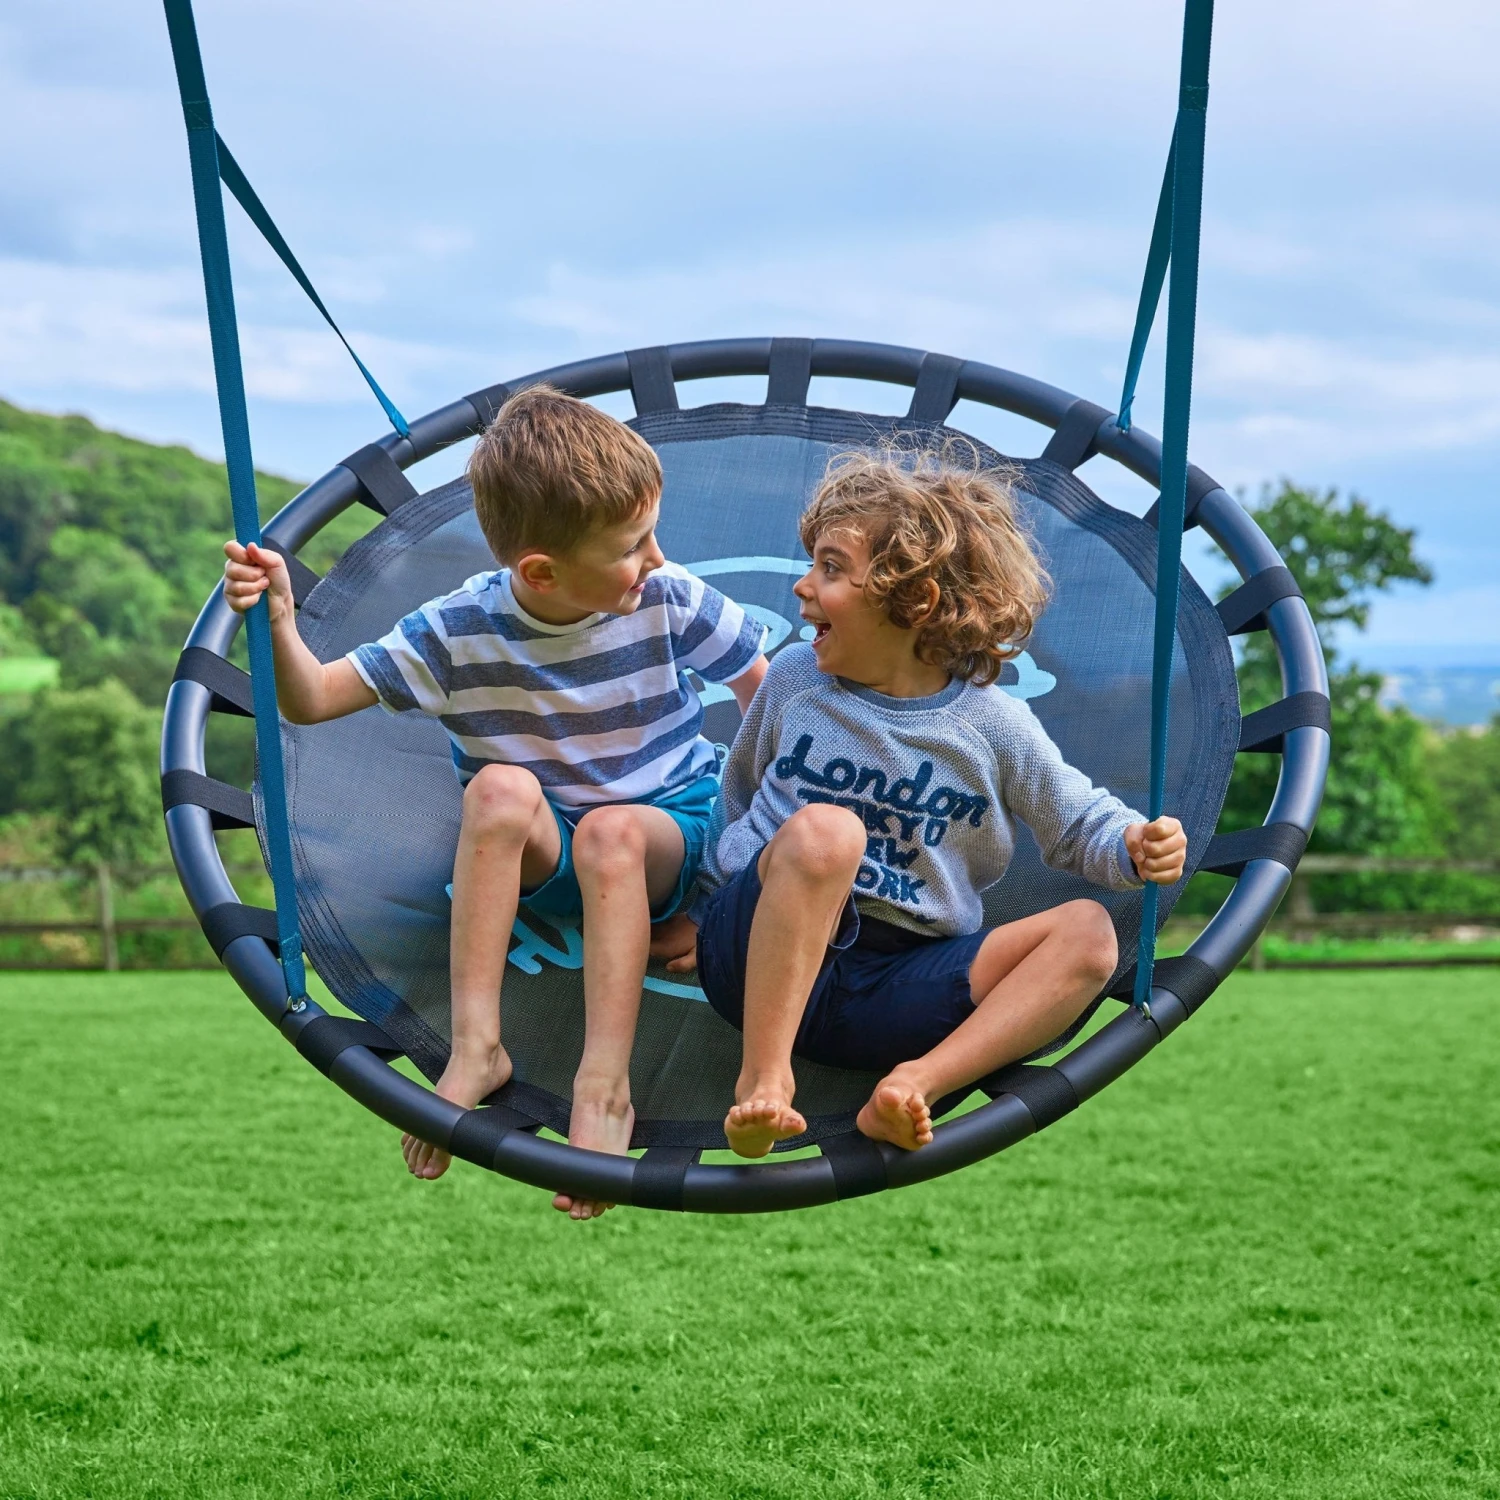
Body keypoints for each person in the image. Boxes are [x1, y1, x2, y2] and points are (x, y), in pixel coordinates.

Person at [222, 385, 767, 1214]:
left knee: (613, 834)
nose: (657, 557)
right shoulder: (458, 630)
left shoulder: (671, 599)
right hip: (554, 853)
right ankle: (477, 1046)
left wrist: (728, 892)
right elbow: (313, 700)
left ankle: (604, 1086)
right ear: (541, 571)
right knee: (499, 790)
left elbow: (770, 718)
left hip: (669, 831)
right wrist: (278, 623)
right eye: (632, 545)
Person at [680, 445, 1187, 1158]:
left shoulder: (992, 725)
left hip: (898, 983)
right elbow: (737, 799)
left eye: (831, 569)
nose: (802, 586)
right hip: (759, 951)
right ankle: (765, 1080)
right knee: (827, 834)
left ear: (913, 601)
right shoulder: (795, 680)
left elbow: (1079, 822)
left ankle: (913, 1085)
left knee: (1090, 935)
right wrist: (702, 909)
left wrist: (1133, 845)